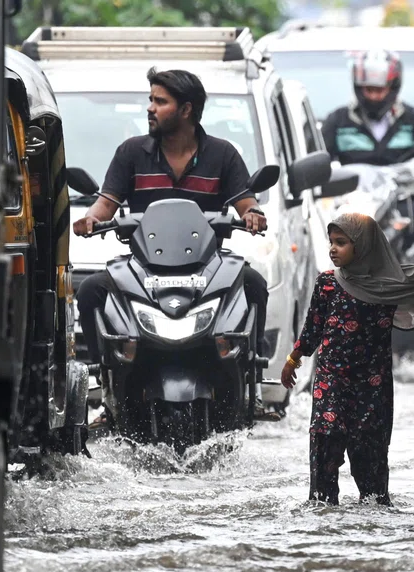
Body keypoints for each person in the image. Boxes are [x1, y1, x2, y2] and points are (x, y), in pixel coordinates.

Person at [73, 69, 272, 411]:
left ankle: (252, 376)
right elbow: (106, 204)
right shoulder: (131, 152)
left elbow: (245, 201)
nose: (150, 108)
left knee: (254, 284)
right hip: (143, 267)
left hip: (207, 267)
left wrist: (253, 213)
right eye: (151, 100)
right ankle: (104, 381)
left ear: (186, 110)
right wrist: (91, 219)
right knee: (90, 290)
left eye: (160, 101)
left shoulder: (223, 154)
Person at [282, 213, 414, 505]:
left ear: (363, 245)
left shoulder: (389, 284)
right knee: (325, 438)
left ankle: (375, 518)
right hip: (331, 379)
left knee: (369, 452)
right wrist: (293, 360)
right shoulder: (327, 283)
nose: (333, 249)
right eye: (331, 242)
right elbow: (313, 327)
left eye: (341, 242)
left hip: (372, 383)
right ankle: (321, 510)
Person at [322, 49, 414, 244]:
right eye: (369, 89)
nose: (374, 96)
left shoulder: (413, 118)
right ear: (358, 87)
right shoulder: (338, 120)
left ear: (393, 87)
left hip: (401, 199)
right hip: (352, 200)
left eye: (379, 90)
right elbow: (320, 160)